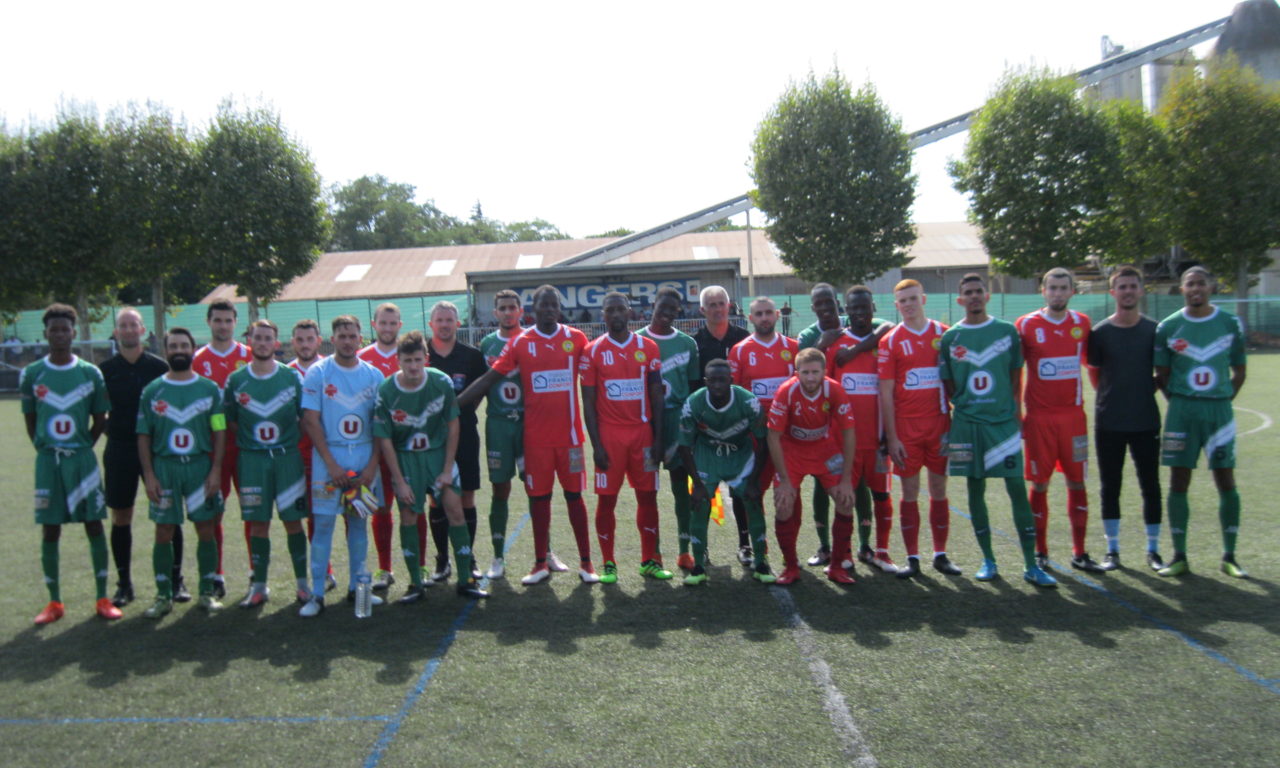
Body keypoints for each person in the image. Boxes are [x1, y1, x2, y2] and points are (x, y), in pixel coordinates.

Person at [458, 285, 600, 585]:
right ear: (533, 310)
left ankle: (587, 563)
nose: (548, 309)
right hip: (535, 440)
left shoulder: (576, 339)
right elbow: (490, 377)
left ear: (559, 308)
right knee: (539, 498)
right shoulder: (521, 342)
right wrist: (453, 406)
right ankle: (539, 564)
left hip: (571, 438)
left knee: (575, 497)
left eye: (553, 305)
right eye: (542, 305)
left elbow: (595, 378)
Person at [939, 274, 1056, 587]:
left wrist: (1013, 412)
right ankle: (988, 559)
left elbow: (1016, 377)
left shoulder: (1007, 332)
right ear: (960, 299)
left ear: (987, 295)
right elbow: (949, 383)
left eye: (979, 291)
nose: (974, 297)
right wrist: (965, 405)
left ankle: (1032, 564)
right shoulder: (952, 338)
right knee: (975, 488)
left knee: (1016, 487)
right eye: (968, 293)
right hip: (967, 425)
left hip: (1002, 424)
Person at [21, 304, 119, 624]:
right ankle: (54, 602)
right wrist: (44, 447)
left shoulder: (90, 372)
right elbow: (31, 419)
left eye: (65, 329)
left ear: (74, 333)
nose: (60, 334)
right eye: (54, 329)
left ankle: (103, 598)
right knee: (50, 529)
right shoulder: (33, 374)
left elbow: (100, 418)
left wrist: (81, 448)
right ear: (46, 333)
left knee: (94, 524)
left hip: (81, 460)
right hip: (49, 461)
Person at [374, 331, 488, 602]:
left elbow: (453, 425)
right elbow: (385, 439)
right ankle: (415, 584)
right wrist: (399, 481)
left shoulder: (440, 382)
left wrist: (448, 468)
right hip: (407, 460)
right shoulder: (388, 391)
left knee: (455, 511)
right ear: (398, 360)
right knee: (409, 516)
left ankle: (465, 579)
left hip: (438, 456)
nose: (412, 366)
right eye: (407, 360)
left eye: (417, 360)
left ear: (425, 359)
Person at [1153, 266, 1248, 578]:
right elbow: (1162, 376)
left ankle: (1230, 556)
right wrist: (1180, 403)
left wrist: (1220, 400)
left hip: (1219, 412)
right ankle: (1179, 556)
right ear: (1181, 289)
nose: (1196, 289)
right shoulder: (1169, 327)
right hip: (1182, 412)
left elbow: (1239, 372)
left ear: (1212, 286)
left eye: (1201, 283)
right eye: (1190, 284)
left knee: (1225, 479)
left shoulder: (1229, 322)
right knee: (1179, 481)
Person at [797, 284, 891, 569]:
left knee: (865, 488)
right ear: (813, 308)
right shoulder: (812, 337)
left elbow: (888, 326)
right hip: (830, 433)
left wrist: (856, 350)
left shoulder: (868, 332)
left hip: (873, 434)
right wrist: (822, 345)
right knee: (824, 484)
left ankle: (867, 548)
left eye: (829, 303)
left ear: (839, 306)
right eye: (819, 304)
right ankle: (829, 547)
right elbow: (807, 374)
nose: (825, 308)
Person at [298, 316, 386, 617]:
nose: (348, 341)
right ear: (332, 339)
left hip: (362, 458)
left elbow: (380, 425)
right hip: (328, 461)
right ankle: (317, 594)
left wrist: (373, 464)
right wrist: (332, 464)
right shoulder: (318, 373)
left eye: (352, 335)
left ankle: (358, 590)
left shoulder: (374, 376)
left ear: (360, 338)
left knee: (359, 523)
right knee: (323, 524)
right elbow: (310, 420)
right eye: (342, 335)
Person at [1015, 268, 1102, 573]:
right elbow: (1017, 373)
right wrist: (1018, 414)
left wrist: (1101, 393)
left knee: (1077, 481)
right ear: (1043, 290)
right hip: (1039, 419)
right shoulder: (1026, 325)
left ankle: (1080, 552)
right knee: (1039, 485)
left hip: (1073, 419)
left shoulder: (1082, 324)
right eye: (1052, 287)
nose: (1057, 293)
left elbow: (1091, 365)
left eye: (1063, 288)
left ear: (1072, 291)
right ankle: (1041, 552)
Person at [137, 327, 228, 617]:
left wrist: (216, 469)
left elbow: (219, 431)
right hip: (165, 468)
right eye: (173, 346)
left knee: (205, 527)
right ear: (166, 351)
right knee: (163, 530)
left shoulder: (209, 389)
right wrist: (149, 475)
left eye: (184, 345)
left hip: (200, 466)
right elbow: (143, 435)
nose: (179, 350)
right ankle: (163, 595)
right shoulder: (152, 391)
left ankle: (205, 592)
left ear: (192, 349)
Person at [581, 292, 669, 584]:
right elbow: (589, 403)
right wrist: (596, 445)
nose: (616, 314)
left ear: (630, 313)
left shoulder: (649, 348)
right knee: (607, 501)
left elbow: (657, 395)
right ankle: (608, 563)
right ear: (603, 315)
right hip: (610, 436)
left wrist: (658, 438)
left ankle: (650, 561)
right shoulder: (592, 351)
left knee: (648, 498)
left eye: (621, 309)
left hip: (642, 435)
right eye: (610, 310)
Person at [223, 319, 310, 607]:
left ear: (276, 342)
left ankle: (302, 585)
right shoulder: (236, 381)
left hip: (287, 459)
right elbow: (229, 421)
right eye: (257, 337)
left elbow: (304, 419)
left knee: (293, 521)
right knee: (257, 523)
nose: (262, 342)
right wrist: (252, 443)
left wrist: (286, 443)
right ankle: (259, 586)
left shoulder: (291, 377)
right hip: (252, 461)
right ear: (250, 341)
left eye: (267, 338)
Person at [877, 280, 961, 579]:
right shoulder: (891, 341)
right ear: (896, 305)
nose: (908, 304)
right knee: (909, 492)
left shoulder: (944, 334)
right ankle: (912, 557)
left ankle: (940, 554)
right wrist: (892, 436)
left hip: (939, 425)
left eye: (913, 298)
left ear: (923, 298)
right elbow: (885, 393)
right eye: (902, 300)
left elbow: (955, 381)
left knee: (939, 490)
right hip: (907, 430)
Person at [1086, 266, 1163, 570]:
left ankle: (1153, 550)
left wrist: (1143, 390)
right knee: (1110, 486)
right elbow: (1095, 372)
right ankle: (1112, 551)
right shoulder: (1100, 333)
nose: (1128, 291)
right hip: (1109, 422)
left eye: (1133, 286)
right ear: (1112, 293)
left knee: (1151, 485)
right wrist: (1113, 396)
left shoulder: (1155, 330)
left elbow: (1163, 372)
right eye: (1122, 287)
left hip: (1146, 420)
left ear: (1141, 290)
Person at [99, 307, 175, 608]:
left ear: (143, 330)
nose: (129, 330)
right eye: (123, 326)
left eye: (134, 325)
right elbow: (98, 412)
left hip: (157, 450)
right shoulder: (105, 370)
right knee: (122, 516)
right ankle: (124, 583)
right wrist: (114, 435)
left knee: (168, 513)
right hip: (120, 449)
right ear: (116, 332)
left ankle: (175, 579)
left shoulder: (158, 368)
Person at [678, 359, 774, 585]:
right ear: (706, 382)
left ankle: (761, 562)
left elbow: (763, 441)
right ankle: (699, 566)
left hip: (740, 455)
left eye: (723, 380)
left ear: (731, 381)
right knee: (700, 504)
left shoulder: (748, 402)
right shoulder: (693, 403)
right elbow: (684, 446)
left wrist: (753, 481)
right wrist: (698, 485)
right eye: (713, 381)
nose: (718, 385)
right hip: (707, 456)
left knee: (752, 500)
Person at [766, 348, 856, 585]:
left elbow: (848, 432)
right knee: (784, 504)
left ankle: (837, 566)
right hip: (792, 451)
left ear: (824, 371)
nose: (810, 378)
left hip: (824, 449)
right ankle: (791, 566)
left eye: (815, 372)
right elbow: (773, 436)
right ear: (796, 373)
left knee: (846, 500)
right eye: (805, 372)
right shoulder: (786, 392)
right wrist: (784, 481)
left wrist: (846, 480)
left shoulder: (834, 389)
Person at [825, 286, 896, 575]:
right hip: (845, 442)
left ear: (873, 308)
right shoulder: (834, 344)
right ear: (846, 309)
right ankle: (843, 554)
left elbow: (893, 327)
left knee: (882, 496)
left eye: (863, 308)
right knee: (845, 498)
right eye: (853, 308)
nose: (858, 313)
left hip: (878, 440)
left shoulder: (886, 341)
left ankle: (882, 552)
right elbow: (825, 390)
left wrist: (890, 435)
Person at [729, 296, 797, 563]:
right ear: (750, 317)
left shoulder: (793, 348)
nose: (765, 317)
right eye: (759, 313)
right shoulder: (740, 350)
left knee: (788, 492)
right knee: (748, 490)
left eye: (769, 312)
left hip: (786, 436)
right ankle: (748, 543)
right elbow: (735, 395)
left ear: (777, 315)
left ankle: (788, 551)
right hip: (753, 436)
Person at [637, 287, 701, 571]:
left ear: (679, 312)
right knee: (647, 490)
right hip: (644, 421)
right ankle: (654, 553)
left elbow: (695, 386)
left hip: (677, 422)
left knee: (680, 487)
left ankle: (684, 549)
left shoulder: (687, 344)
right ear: (654, 304)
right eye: (663, 306)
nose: (666, 313)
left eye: (673, 309)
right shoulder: (636, 341)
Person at [425, 301, 488, 583]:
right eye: (439, 320)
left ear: (457, 324)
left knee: (466, 497)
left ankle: (468, 556)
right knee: (436, 498)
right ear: (431, 324)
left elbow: (481, 389)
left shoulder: (472, 356)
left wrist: (460, 412)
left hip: (464, 434)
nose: (445, 324)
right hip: (430, 440)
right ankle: (442, 559)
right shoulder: (421, 355)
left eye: (449, 319)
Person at [193, 298, 250, 598]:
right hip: (212, 451)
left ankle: (257, 574)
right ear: (209, 322)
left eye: (228, 320)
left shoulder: (250, 356)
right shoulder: (197, 360)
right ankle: (216, 575)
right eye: (218, 320)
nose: (223, 325)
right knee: (213, 513)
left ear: (235, 323)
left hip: (245, 449)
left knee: (254, 512)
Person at [691, 285, 753, 563]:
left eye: (721, 303)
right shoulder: (696, 343)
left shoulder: (743, 339)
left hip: (739, 429)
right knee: (704, 491)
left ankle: (745, 543)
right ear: (702, 310)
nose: (717, 308)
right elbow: (694, 387)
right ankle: (701, 547)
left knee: (741, 490)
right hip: (705, 430)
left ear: (729, 306)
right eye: (711, 304)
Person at [478, 290, 526, 579]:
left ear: (521, 311)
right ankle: (497, 557)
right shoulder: (487, 343)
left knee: (537, 486)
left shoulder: (531, 340)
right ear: (495, 313)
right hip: (497, 424)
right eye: (502, 308)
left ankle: (544, 554)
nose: (508, 312)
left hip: (528, 422)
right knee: (500, 488)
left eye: (512, 307)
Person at [358, 302, 404, 592]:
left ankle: (421, 566)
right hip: (371, 453)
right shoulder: (362, 358)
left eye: (392, 323)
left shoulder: (411, 356)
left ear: (399, 325)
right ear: (374, 326)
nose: (387, 328)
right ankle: (384, 568)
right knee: (377, 509)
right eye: (382, 323)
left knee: (413, 508)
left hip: (407, 449)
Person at [289, 319, 337, 593]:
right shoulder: (286, 374)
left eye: (310, 339)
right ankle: (325, 571)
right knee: (315, 515)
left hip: (338, 453)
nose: (305, 345)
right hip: (302, 456)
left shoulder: (331, 369)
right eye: (300, 340)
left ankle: (360, 575)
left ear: (319, 341)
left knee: (351, 513)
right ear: (293, 342)